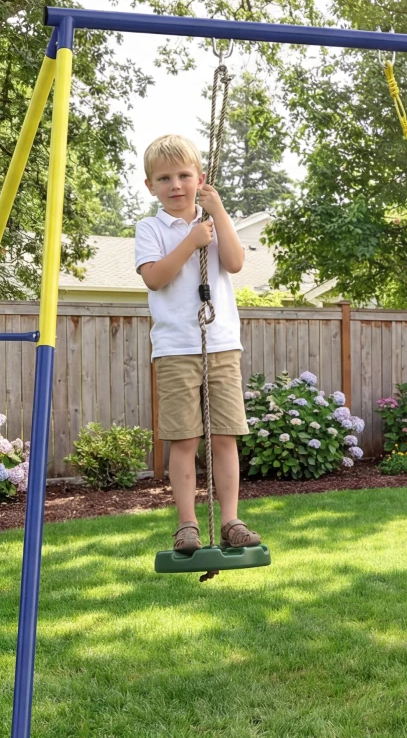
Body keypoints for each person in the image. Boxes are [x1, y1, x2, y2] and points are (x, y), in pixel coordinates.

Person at [135, 134, 261, 554]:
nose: (175, 185)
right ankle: (187, 524)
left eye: (184, 176)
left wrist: (218, 211)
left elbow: (235, 263)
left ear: (200, 179)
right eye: (164, 178)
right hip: (175, 349)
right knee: (185, 440)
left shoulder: (213, 221)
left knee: (225, 436)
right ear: (150, 185)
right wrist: (190, 241)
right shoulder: (150, 228)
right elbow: (155, 278)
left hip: (221, 344)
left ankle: (231, 521)